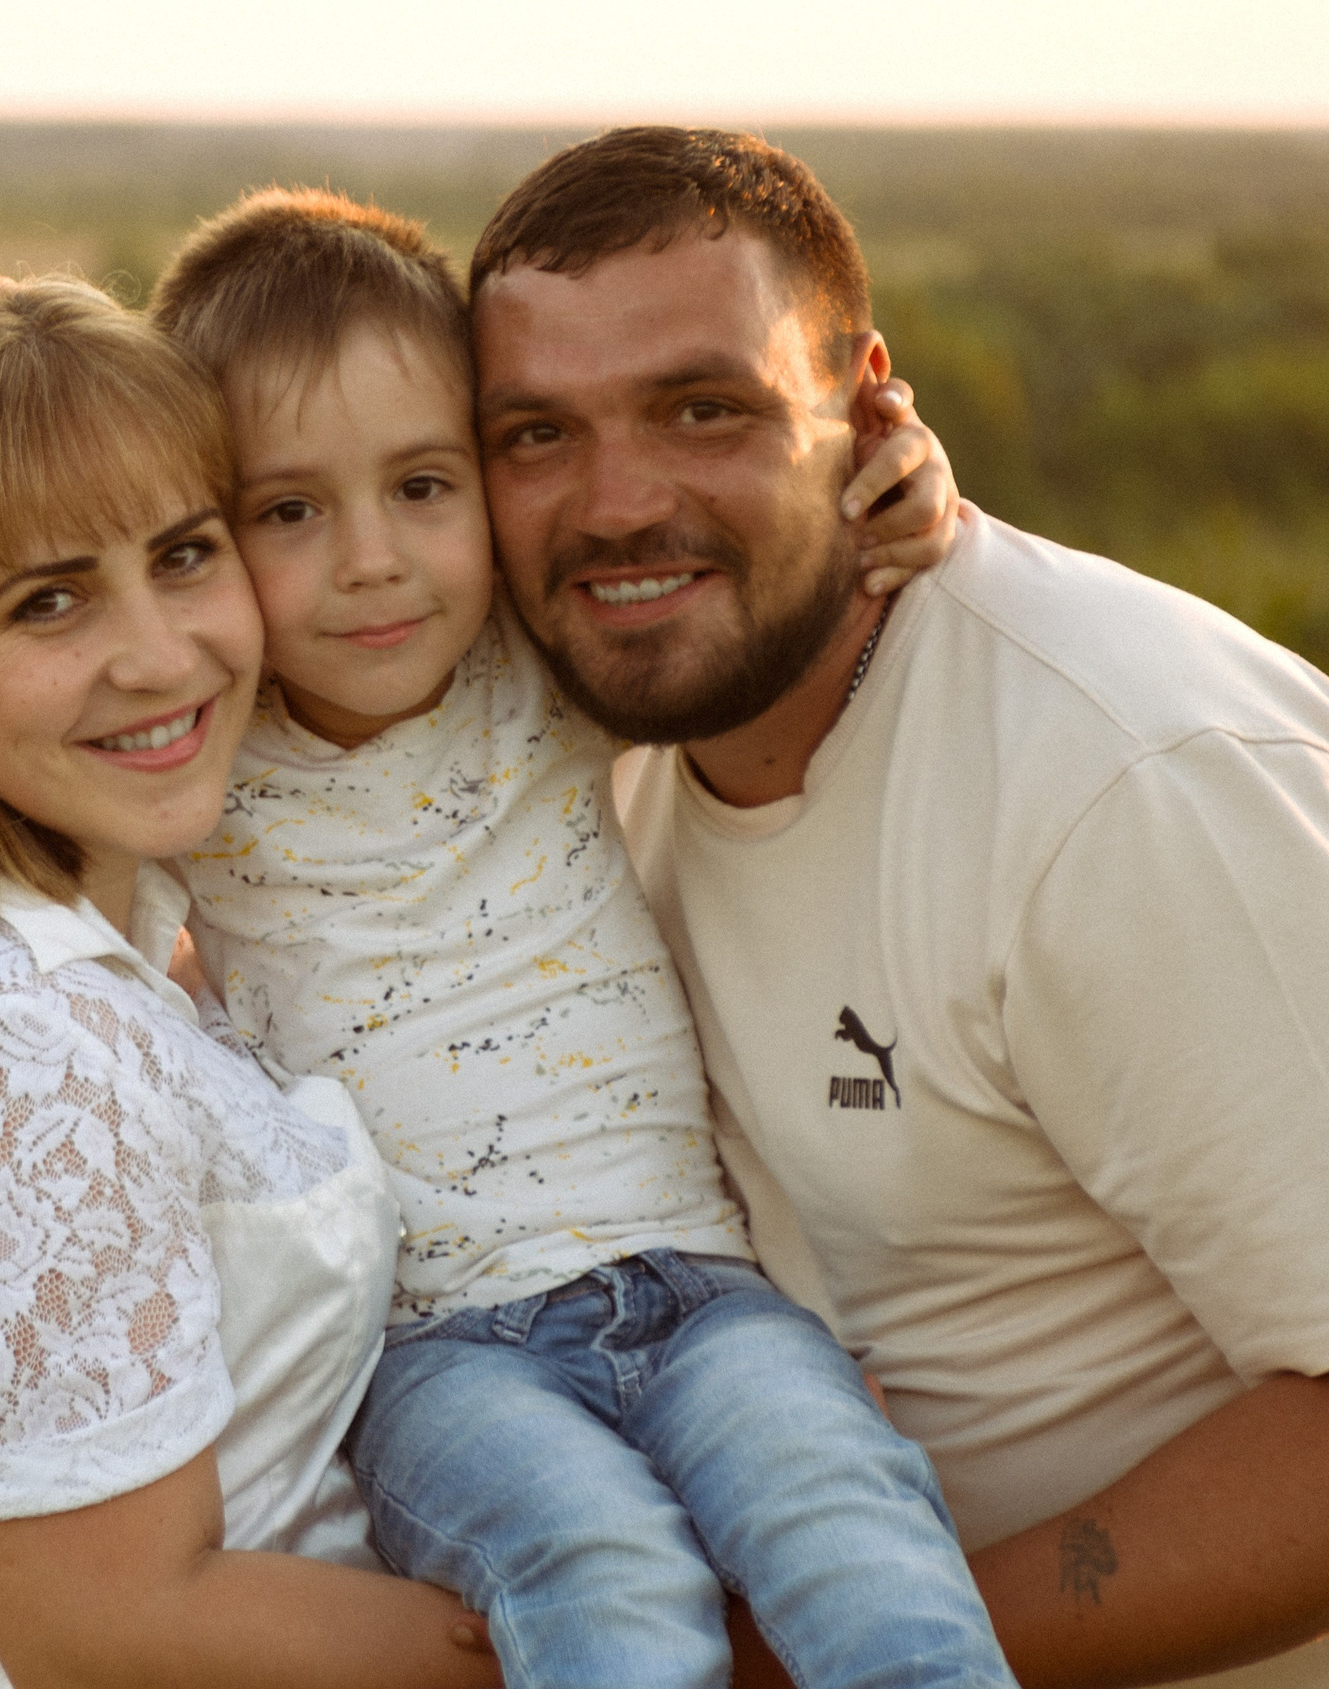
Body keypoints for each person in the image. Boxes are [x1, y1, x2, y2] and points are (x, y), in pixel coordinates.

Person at [467, 124, 1329, 1689]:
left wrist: (788, 1663)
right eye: (536, 435)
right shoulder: (587, 755)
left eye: (706, 409)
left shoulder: (1132, 783)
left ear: (865, 403)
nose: (617, 503)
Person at [151, 188, 1013, 1689]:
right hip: (435, 1357)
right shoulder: (193, 771)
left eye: (423, 487)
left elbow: (731, 566)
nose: (372, 561)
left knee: (862, 1543)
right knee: (605, 1584)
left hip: (702, 1292)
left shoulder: (538, 665)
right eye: (289, 511)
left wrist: (903, 473)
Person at [0, 274, 503, 1689]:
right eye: (49, 601)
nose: (159, 652)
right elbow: (124, 1632)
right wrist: (646, 1633)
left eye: (184, 554)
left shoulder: (68, 933)